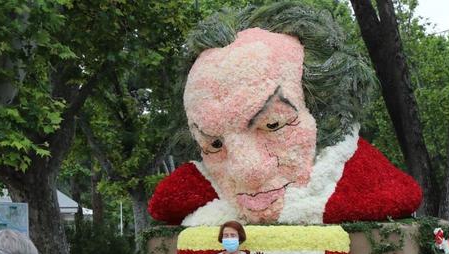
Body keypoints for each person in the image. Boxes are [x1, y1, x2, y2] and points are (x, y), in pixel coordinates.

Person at [147, 4, 422, 227]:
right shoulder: (199, 189)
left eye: (273, 124)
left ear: (324, 115)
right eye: (215, 144)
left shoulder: (363, 183)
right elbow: (165, 203)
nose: (246, 171)